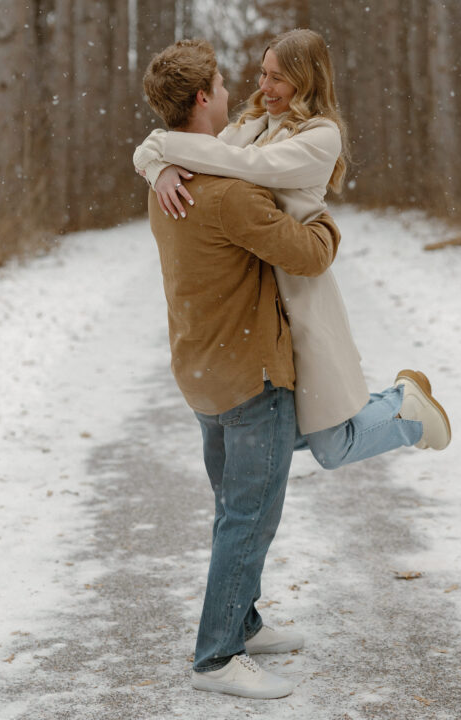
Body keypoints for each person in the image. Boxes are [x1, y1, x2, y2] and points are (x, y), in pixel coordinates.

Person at [134, 29, 451, 468]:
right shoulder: (252, 124)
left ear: (305, 79)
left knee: (331, 446)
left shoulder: (321, 137)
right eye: (263, 74)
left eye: (277, 78)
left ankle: (406, 410)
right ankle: (398, 405)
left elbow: (247, 166)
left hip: (301, 289)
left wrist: (164, 152)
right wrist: (158, 166)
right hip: (265, 303)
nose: (264, 87)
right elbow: (196, 151)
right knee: (275, 425)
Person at [141, 39, 344, 699]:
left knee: (234, 505)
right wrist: (324, 225)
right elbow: (309, 255)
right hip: (247, 375)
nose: (236, 91)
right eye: (226, 83)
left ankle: (244, 620)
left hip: (200, 370)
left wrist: (154, 161)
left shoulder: (169, 180)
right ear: (203, 98)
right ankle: (217, 657)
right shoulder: (229, 193)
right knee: (249, 515)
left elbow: (170, 152)